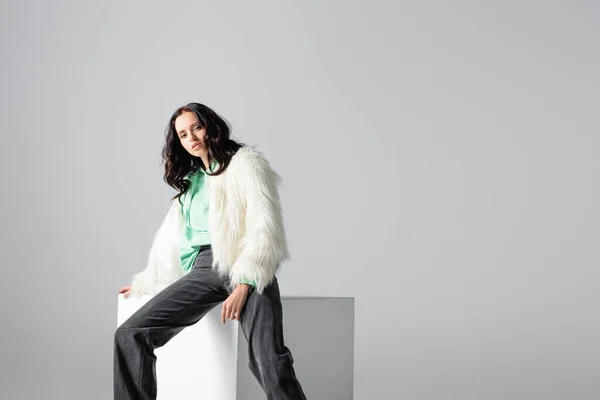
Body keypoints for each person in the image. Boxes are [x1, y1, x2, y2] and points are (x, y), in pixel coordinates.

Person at [114, 102, 307, 400]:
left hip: (245, 264)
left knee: (268, 359)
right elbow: (171, 241)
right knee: (130, 334)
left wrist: (245, 283)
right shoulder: (192, 183)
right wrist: (147, 280)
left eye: (196, 127)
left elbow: (264, 229)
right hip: (205, 270)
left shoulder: (246, 164)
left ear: (210, 127)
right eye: (182, 134)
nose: (191, 137)